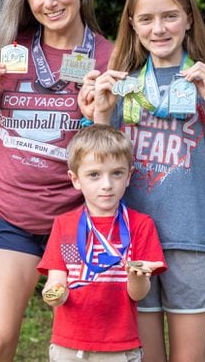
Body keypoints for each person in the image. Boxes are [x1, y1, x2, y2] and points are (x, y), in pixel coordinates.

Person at [85, 0, 205, 362]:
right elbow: (92, 173)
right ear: (132, 24)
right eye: (146, 19)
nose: (158, 28)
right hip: (127, 243)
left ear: (190, 18)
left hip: (192, 241)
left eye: (170, 16)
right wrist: (101, 114)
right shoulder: (121, 84)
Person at [0, 0, 114, 361]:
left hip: (78, 222)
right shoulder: (10, 50)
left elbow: (115, 151)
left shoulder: (108, 56)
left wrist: (98, 118)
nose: (49, 2)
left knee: (84, 348)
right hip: (12, 219)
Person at [37, 124, 167, 362]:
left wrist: (136, 276)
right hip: (69, 344)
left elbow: (137, 295)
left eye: (116, 173)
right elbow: (57, 281)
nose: (107, 184)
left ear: (128, 176)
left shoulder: (140, 225)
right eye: (94, 175)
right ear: (75, 179)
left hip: (120, 345)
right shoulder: (64, 224)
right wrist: (54, 293)